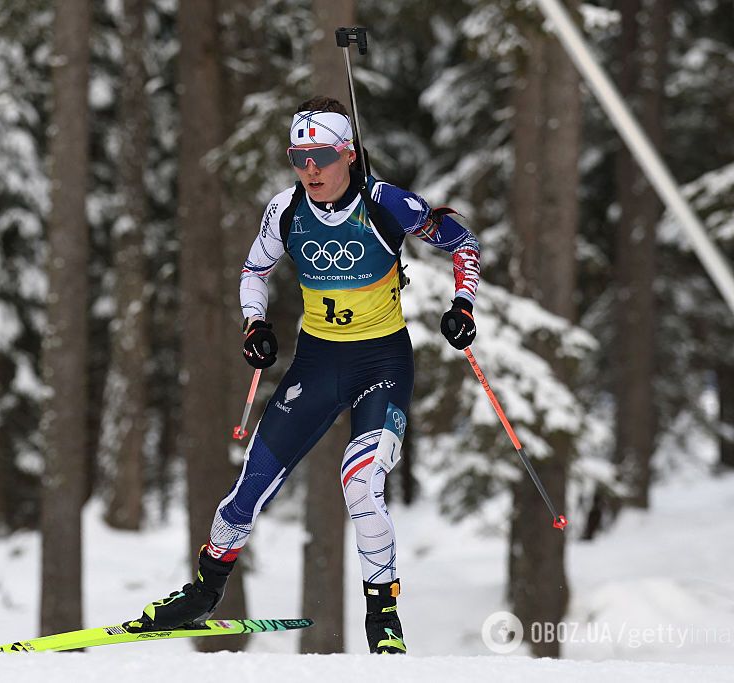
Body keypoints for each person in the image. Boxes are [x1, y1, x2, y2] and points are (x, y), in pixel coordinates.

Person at [140, 96, 481, 654]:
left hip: (382, 363)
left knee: (361, 483)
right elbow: (254, 270)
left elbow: (462, 242)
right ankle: (203, 593)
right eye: (298, 158)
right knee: (248, 490)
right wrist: (255, 323)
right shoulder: (285, 210)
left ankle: (383, 618)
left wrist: (462, 306)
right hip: (317, 363)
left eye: (321, 156)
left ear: (348, 154)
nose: (310, 170)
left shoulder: (387, 203)